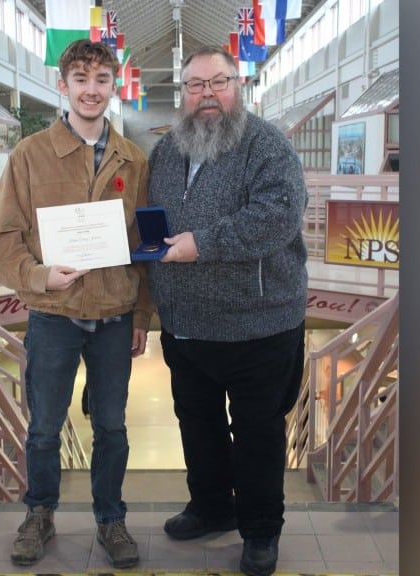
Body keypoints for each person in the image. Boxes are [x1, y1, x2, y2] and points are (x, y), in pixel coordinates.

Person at [0, 39, 153, 569]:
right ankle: (39, 513)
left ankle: (110, 518)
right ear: (64, 85)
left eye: (102, 79)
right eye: (81, 78)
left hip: (115, 313)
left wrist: (142, 315)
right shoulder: (29, 155)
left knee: (113, 427)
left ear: (114, 86)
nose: (91, 89)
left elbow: (144, 245)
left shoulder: (134, 160)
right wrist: (37, 275)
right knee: (44, 426)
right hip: (52, 316)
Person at [145, 46, 308, 576]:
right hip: (187, 327)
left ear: (238, 87)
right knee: (198, 424)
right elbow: (151, 221)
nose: (207, 93)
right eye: (196, 84)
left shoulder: (268, 146)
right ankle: (212, 507)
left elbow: (275, 220)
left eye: (219, 81)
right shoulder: (167, 151)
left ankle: (260, 531)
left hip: (259, 326)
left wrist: (201, 243)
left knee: (257, 434)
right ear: (183, 94)